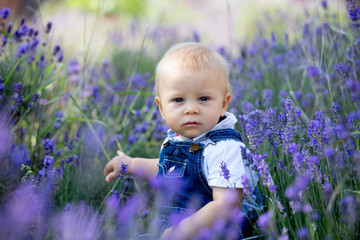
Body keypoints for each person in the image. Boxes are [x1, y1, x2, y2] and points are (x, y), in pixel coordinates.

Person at [104, 42, 262, 239]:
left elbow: (227, 204)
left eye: (203, 98)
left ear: (223, 104)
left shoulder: (224, 149)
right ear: (161, 108)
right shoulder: (178, 140)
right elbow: (172, 171)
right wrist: (133, 164)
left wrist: (184, 230)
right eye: (178, 100)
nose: (191, 109)